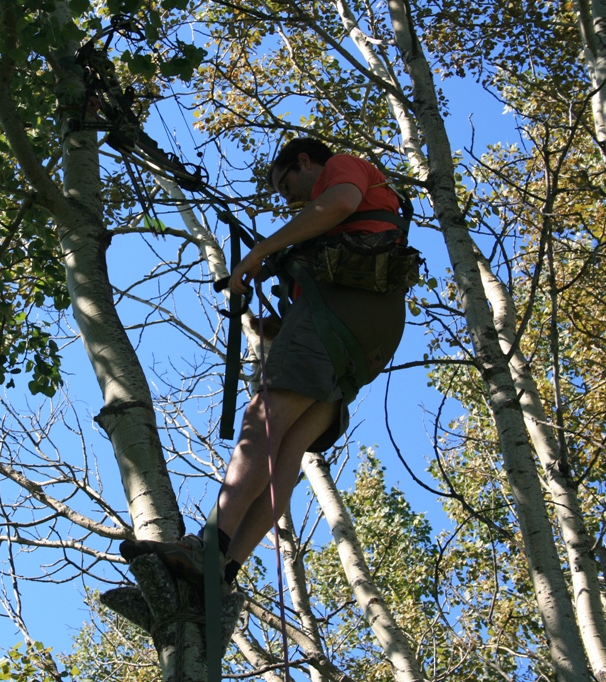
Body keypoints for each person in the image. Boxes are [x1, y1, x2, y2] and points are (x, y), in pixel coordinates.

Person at [121, 138, 409, 592]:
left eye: (287, 183)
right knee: (289, 445)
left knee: (263, 417)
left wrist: (257, 253)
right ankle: (225, 568)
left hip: (341, 316)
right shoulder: (334, 237)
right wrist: (278, 331)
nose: (290, 198)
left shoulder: (342, 168)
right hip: (368, 334)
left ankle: (208, 547)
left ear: (305, 160)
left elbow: (338, 203)